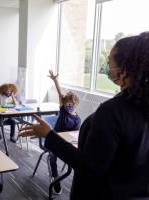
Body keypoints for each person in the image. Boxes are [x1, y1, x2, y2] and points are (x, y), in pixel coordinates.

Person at [20, 32, 149, 200]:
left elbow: (89, 168)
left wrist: (48, 135)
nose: (106, 66)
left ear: (124, 70)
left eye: (109, 62)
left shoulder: (112, 112)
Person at [47, 69, 81, 194]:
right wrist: (55, 80)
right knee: (52, 156)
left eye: (71, 104)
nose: (68, 106)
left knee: (76, 156)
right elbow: (59, 92)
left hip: (67, 143)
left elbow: (75, 135)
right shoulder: (63, 110)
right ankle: (56, 178)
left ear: (76, 104)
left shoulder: (78, 119)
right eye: (66, 104)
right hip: (55, 139)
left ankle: (71, 177)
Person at [0, 73, 19, 143]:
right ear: (3, 90)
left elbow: (16, 104)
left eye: (10, 91)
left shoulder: (11, 97)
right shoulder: (0, 95)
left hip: (7, 116)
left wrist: (13, 96)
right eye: (7, 91)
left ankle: (12, 136)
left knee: (13, 122)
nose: (8, 92)